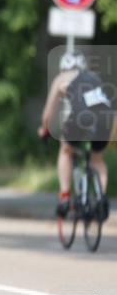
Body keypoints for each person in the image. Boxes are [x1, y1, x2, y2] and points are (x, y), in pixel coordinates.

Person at [38, 50, 111, 220]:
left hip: (81, 116)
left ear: (64, 66)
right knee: (97, 159)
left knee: (65, 149)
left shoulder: (61, 78)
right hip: (105, 116)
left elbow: (48, 114)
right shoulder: (94, 77)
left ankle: (64, 196)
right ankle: (101, 199)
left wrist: (44, 129)